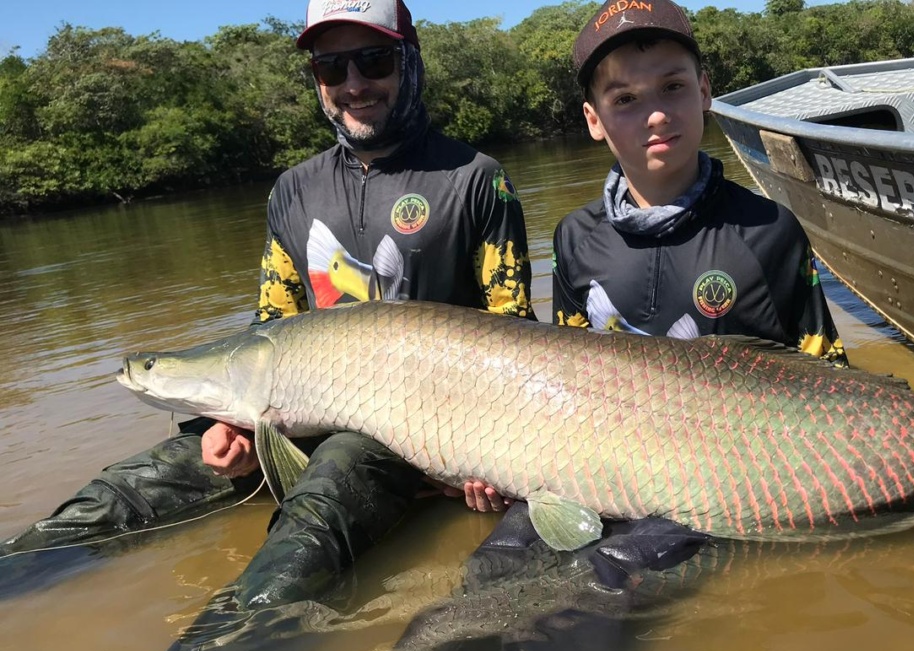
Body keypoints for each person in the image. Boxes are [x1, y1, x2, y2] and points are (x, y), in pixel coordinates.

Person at [0, 0, 526, 607]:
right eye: (332, 68)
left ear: (410, 62)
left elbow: (512, 333)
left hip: (402, 435)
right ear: (317, 81)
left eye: (374, 60)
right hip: (290, 412)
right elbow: (270, 328)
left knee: (309, 526)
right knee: (125, 493)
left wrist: (493, 451)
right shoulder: (292, 190)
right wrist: (231, 424)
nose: (354, 84)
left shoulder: (476, 177)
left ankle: (222, 647)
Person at [549, 0, 914, 526]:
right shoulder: (572, 238)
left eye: (673, 87)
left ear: (704, 91)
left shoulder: (770, 230)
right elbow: (566, 390)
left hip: (734, 491)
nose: (655, 114)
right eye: (624, 98)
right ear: (593, 119)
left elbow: (832, 386)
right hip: (611, 480)